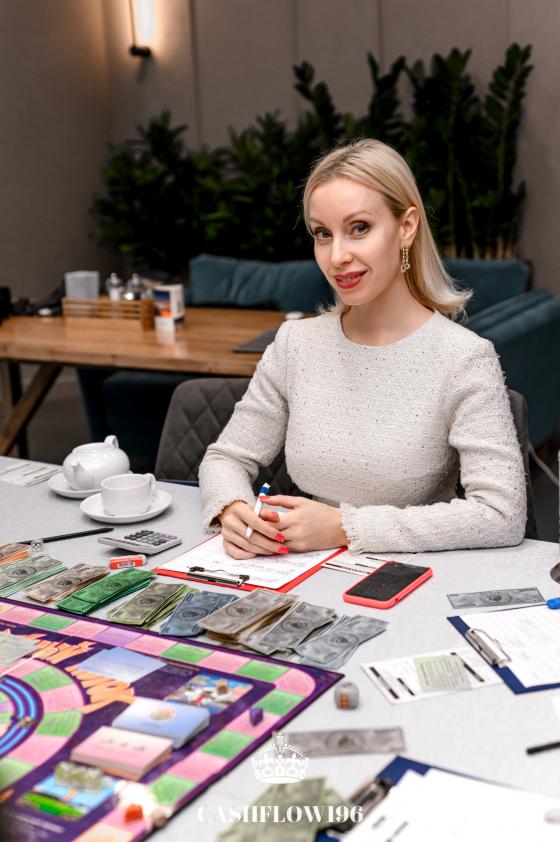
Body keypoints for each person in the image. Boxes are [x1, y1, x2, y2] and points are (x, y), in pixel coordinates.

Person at [199, 139, 526, 559]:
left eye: (359, 228)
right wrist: (233, 509)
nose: (337, 256)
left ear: (407, 226)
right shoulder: (296, 344)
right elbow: (224, 458)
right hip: (298, 569)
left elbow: (501, 514)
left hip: (412, 576)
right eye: (323, 234)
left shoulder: (464, 358)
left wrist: (345, 527)